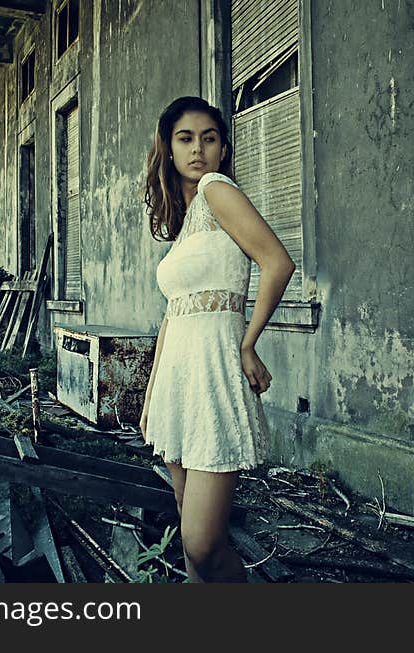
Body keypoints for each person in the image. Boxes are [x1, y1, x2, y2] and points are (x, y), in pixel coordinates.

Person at [141, 96, 295, 582]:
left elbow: (278, 262)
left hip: (213, 376)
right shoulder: (185, 223)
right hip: (177, 384)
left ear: (223, 148)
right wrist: (150, 392)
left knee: (202, 543)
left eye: (209, 138)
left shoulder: (215, 189)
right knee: (192, 545)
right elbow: (172, 315)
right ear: (168, 147)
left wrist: (248, 343)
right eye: (185, 138)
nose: (198, 149)